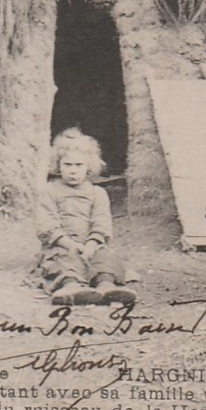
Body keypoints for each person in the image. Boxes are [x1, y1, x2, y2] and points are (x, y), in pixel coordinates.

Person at [37, 127, 135, 306]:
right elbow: (46, 224)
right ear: (58, 165)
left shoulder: (97, 193)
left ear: (89, 166)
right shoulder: (49, 190)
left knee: (105, 259)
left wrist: (91, 244)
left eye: (79, 165)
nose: (73, 171)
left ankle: (107, 286)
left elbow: (102, 222)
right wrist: (69, 244)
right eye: (67, 165)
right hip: (62, 245)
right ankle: (71, 287)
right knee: (62, 261)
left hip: (91, 244)